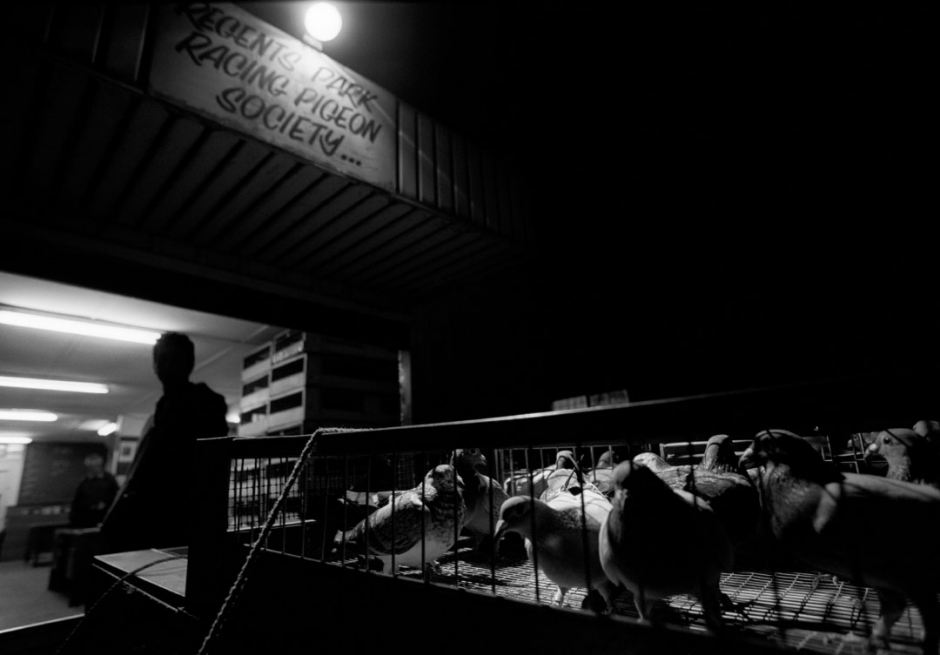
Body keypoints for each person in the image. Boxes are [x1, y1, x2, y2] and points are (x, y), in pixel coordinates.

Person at [101, 332, 229, 551]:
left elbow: (209, 469)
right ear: (154, 365)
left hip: (187, 519)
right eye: (162, 359)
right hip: (156, 520)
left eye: (174, 359)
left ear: (189, 363)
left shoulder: (206, 403)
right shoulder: (163, 409)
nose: (167, 366)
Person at [69, 452, 119, 528]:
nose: (94, 469)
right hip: (87, 519)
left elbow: (116, 497)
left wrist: (106, 503)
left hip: (104, 518)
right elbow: (77, 502)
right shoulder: (84, 482)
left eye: (97, 466)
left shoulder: (109, 479)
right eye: (91, 467)